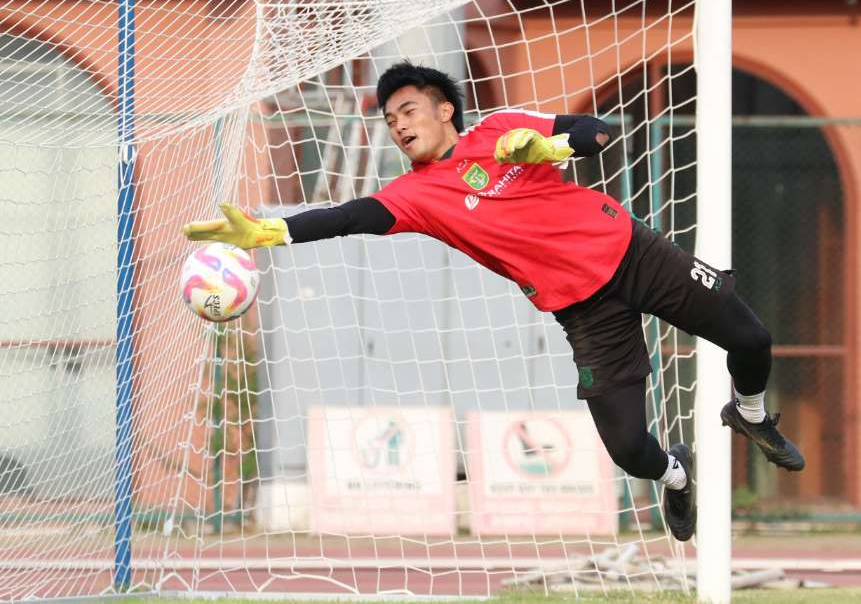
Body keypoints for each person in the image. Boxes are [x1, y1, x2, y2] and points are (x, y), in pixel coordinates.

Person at [182, 61, 804, 542]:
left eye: (407, 110)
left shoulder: (500, 130)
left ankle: (749, 413)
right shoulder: (415, 195)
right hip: (584, 311)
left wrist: (551, 147)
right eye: (390, 120)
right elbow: (348, 215)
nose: (398, 126)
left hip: (633, 252)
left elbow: (597, 131)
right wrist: (272, 232)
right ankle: (677, 472)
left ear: (444, 109)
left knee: (751, 340)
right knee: (626, 449)